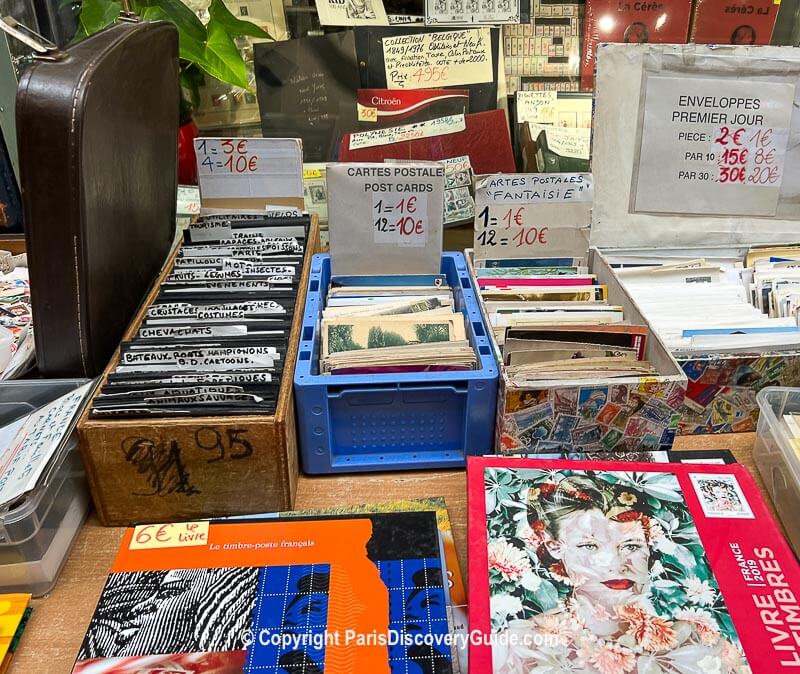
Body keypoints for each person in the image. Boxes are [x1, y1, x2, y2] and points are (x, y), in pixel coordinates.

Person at [492, 474, 750, 673]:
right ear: (555, 547)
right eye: (589, 545)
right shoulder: (521, 643)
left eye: (631, 546)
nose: (615, 563)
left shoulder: (697, 639)